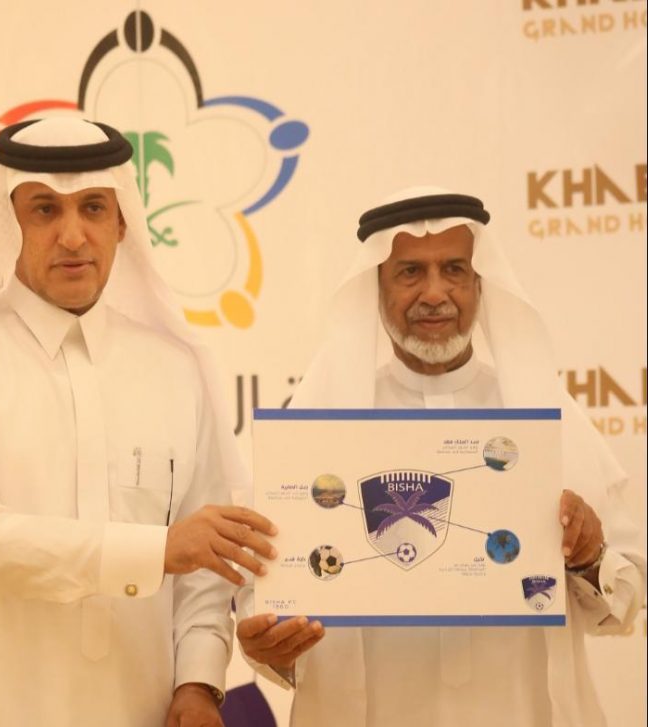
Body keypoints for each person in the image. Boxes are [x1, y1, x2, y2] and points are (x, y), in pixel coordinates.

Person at [0, 116, 278, 727]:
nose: (72, 236)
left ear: (121, 224)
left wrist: (198, 684)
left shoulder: (175, 368)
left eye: (93, 207)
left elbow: (206, 565)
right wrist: (156, 549)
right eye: (45, 210)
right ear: (9, 223)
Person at [236, 186, 645, 726]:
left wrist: (589, 556)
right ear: (376, 289)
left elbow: (626, 598)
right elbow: (263, 596)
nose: (434, 293)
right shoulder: (320, 424)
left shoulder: (541, 414)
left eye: (454, 269)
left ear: (479, 283)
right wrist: (269, 645)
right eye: (410, 272)